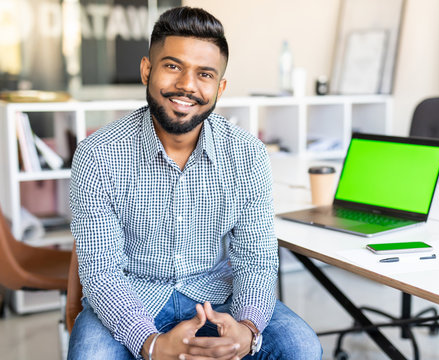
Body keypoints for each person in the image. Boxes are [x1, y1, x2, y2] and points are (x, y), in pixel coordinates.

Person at [68, 6, 322, 360]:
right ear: (147, 70)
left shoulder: (248, 154)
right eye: (173, 66)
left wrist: (246, 329)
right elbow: (101, 272)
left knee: (301, 347)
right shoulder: (98, 155)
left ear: (220, 87)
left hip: (218, 297)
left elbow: (257, 260)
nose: (187, 85)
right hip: (131, 296)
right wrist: (151, 343)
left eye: (204, 74)